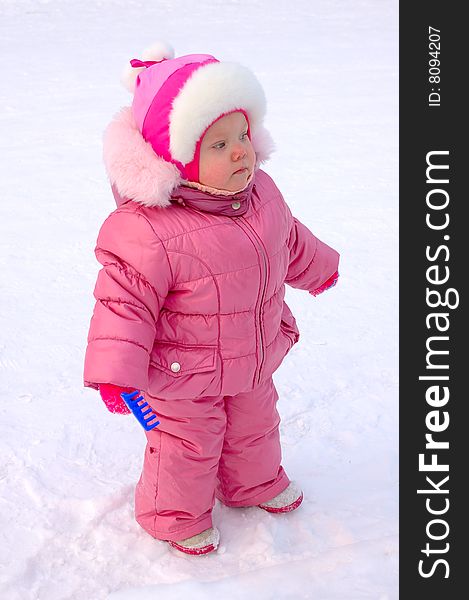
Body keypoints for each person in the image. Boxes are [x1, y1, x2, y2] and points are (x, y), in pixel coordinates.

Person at [84, 41, 340, 556]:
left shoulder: (262, 195)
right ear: (176, 158)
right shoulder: (145, 231)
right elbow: (123, 305)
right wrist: (116, 372)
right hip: (182, 375)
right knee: (186, 447)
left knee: (255, 424)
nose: (242, 151)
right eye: (219, 146)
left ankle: (255, 484)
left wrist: (320, 269)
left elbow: (288, 239)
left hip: (253, 353)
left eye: (243, 134)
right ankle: (174, 517)